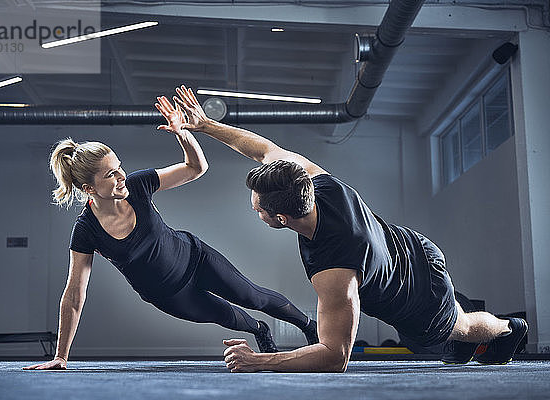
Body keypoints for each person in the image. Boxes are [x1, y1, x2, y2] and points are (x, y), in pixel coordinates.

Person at [170, 85, 528, 373]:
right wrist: (206, 126)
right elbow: (263, 150)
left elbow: (335, 356)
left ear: (281, 219)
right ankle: (455, 323)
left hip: (416, 297)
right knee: (441, 338)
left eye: (257, 210)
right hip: (412, 246)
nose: (255, 212)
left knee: (452, 331)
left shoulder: (335, 270)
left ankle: (508, 329)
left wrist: (258, 362)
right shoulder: (317, 185)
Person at [23, 97, 317, 370]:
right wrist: (61, 356)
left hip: (196, 258)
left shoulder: (137, 186)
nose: (122, 175)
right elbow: (75, 293)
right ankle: (260, 330)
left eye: (119, 167)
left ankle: (309, 327)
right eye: (110, 174)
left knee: (253, 296)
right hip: (170, 294)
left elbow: (195, 168)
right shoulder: (86, 231)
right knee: (229, 317)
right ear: (89, 189)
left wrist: (182, 133)